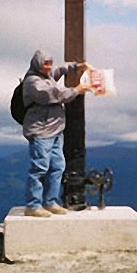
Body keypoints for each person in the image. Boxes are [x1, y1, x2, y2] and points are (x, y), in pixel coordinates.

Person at [22, 49, 92, 217]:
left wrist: (77, 66)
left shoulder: (46, 76)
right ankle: (33, 205)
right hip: (40, 132)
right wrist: (77, 90)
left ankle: (50, 202)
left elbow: (59, 70)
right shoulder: (33, 82)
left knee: (57, 167)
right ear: (37, 64)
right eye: (45, 64)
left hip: (54, 131)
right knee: (40, 169)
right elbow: (54, 94)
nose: (49, 67)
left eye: (50, 63)